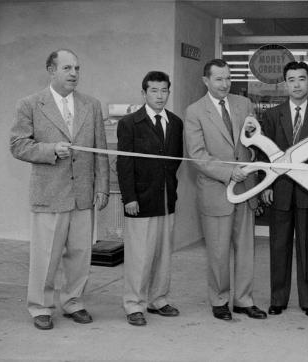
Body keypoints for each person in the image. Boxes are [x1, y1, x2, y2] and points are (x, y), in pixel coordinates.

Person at [9, 49, 109, 330]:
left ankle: (73, 302)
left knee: (80, 254)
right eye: (67, 68)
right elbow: (18, 145)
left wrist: (101, 186)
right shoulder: (29, 104)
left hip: (82, 196)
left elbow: (100, 149)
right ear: (50, 70)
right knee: (46, 255)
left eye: (77, 68)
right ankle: (40, 306)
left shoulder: (91, 104)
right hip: (49, 193)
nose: (74, 74)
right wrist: (51, 150)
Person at [184, 59, 266, 321]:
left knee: (245, 249)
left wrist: (253, 146)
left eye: (228, 78)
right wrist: (229, 172)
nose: (225, 84)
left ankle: (243, 300)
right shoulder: (195, 111)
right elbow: (197, 155)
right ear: (206, 81)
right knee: (218, 251)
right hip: (216, 190)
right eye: (219, 79)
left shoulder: (244, 105)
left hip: (245, 189)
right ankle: (219, 299)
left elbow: (253, 143)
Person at [261, 61, 308, 318]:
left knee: (307, 248)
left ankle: (307, 300)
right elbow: (264, 154)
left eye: (302, 79)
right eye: (292, 79)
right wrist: (264, 185)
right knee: (278, 247)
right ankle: (278, 299)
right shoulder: (271, 115)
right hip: (279, 190)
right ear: (285, 83)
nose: (297, 84)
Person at [116, 71, 183, 326]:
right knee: (139, 257)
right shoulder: (130, 123)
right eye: (154, 90)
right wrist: (129, 197)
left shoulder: (176, 123)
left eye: (164, 90)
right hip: (140, 201)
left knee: (163, 254)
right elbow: (124, 163)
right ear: (143, 93)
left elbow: (176, 160)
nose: (159, 95)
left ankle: (158, 300)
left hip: (167, 199)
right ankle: (134, 304)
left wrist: (169, 188)